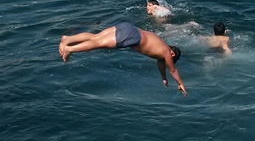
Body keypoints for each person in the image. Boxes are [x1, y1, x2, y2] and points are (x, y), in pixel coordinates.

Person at [59, 22, 187, 95]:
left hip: (128, 27)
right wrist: (180, 83)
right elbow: (173, 70)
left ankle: (68, 39)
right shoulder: (166, 52)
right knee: (99, 44)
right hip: (131, 36)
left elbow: (161, 65)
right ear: (173, 54)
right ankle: (69, 49)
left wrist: (164, 79)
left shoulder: (161, 48)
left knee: (96, 37)